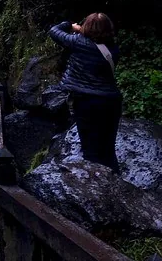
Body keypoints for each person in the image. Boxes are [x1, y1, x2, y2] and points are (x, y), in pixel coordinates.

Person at [49, 13, 122, 171]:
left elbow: (54, 31)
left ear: (86, 27)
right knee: (108, 149)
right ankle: (116, 183)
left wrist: (70, 25)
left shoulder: (77, 42)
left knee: (90, 149)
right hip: (111, 102)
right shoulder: (113, 49)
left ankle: (96, 187)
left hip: (86, 102)